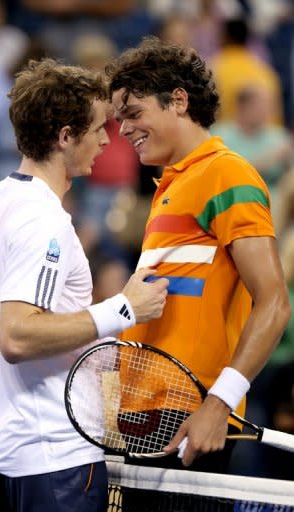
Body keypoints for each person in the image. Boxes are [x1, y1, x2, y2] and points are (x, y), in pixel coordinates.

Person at [0, 57, 169, 512]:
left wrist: (5, 404)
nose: (106, 139)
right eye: (95, 128)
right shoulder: (45, 222)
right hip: (52, 460)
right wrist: (123, 308)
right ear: (65, 136)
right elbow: (16, 336)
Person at [105, 36, 291, 475]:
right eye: (119, 119)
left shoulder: (227, 173)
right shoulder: (170, 186)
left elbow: (274, 302)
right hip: (143, 412)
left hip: (189, 413)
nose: (124, 129)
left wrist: (217, 404)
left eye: (134, 113)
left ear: (179, 101)